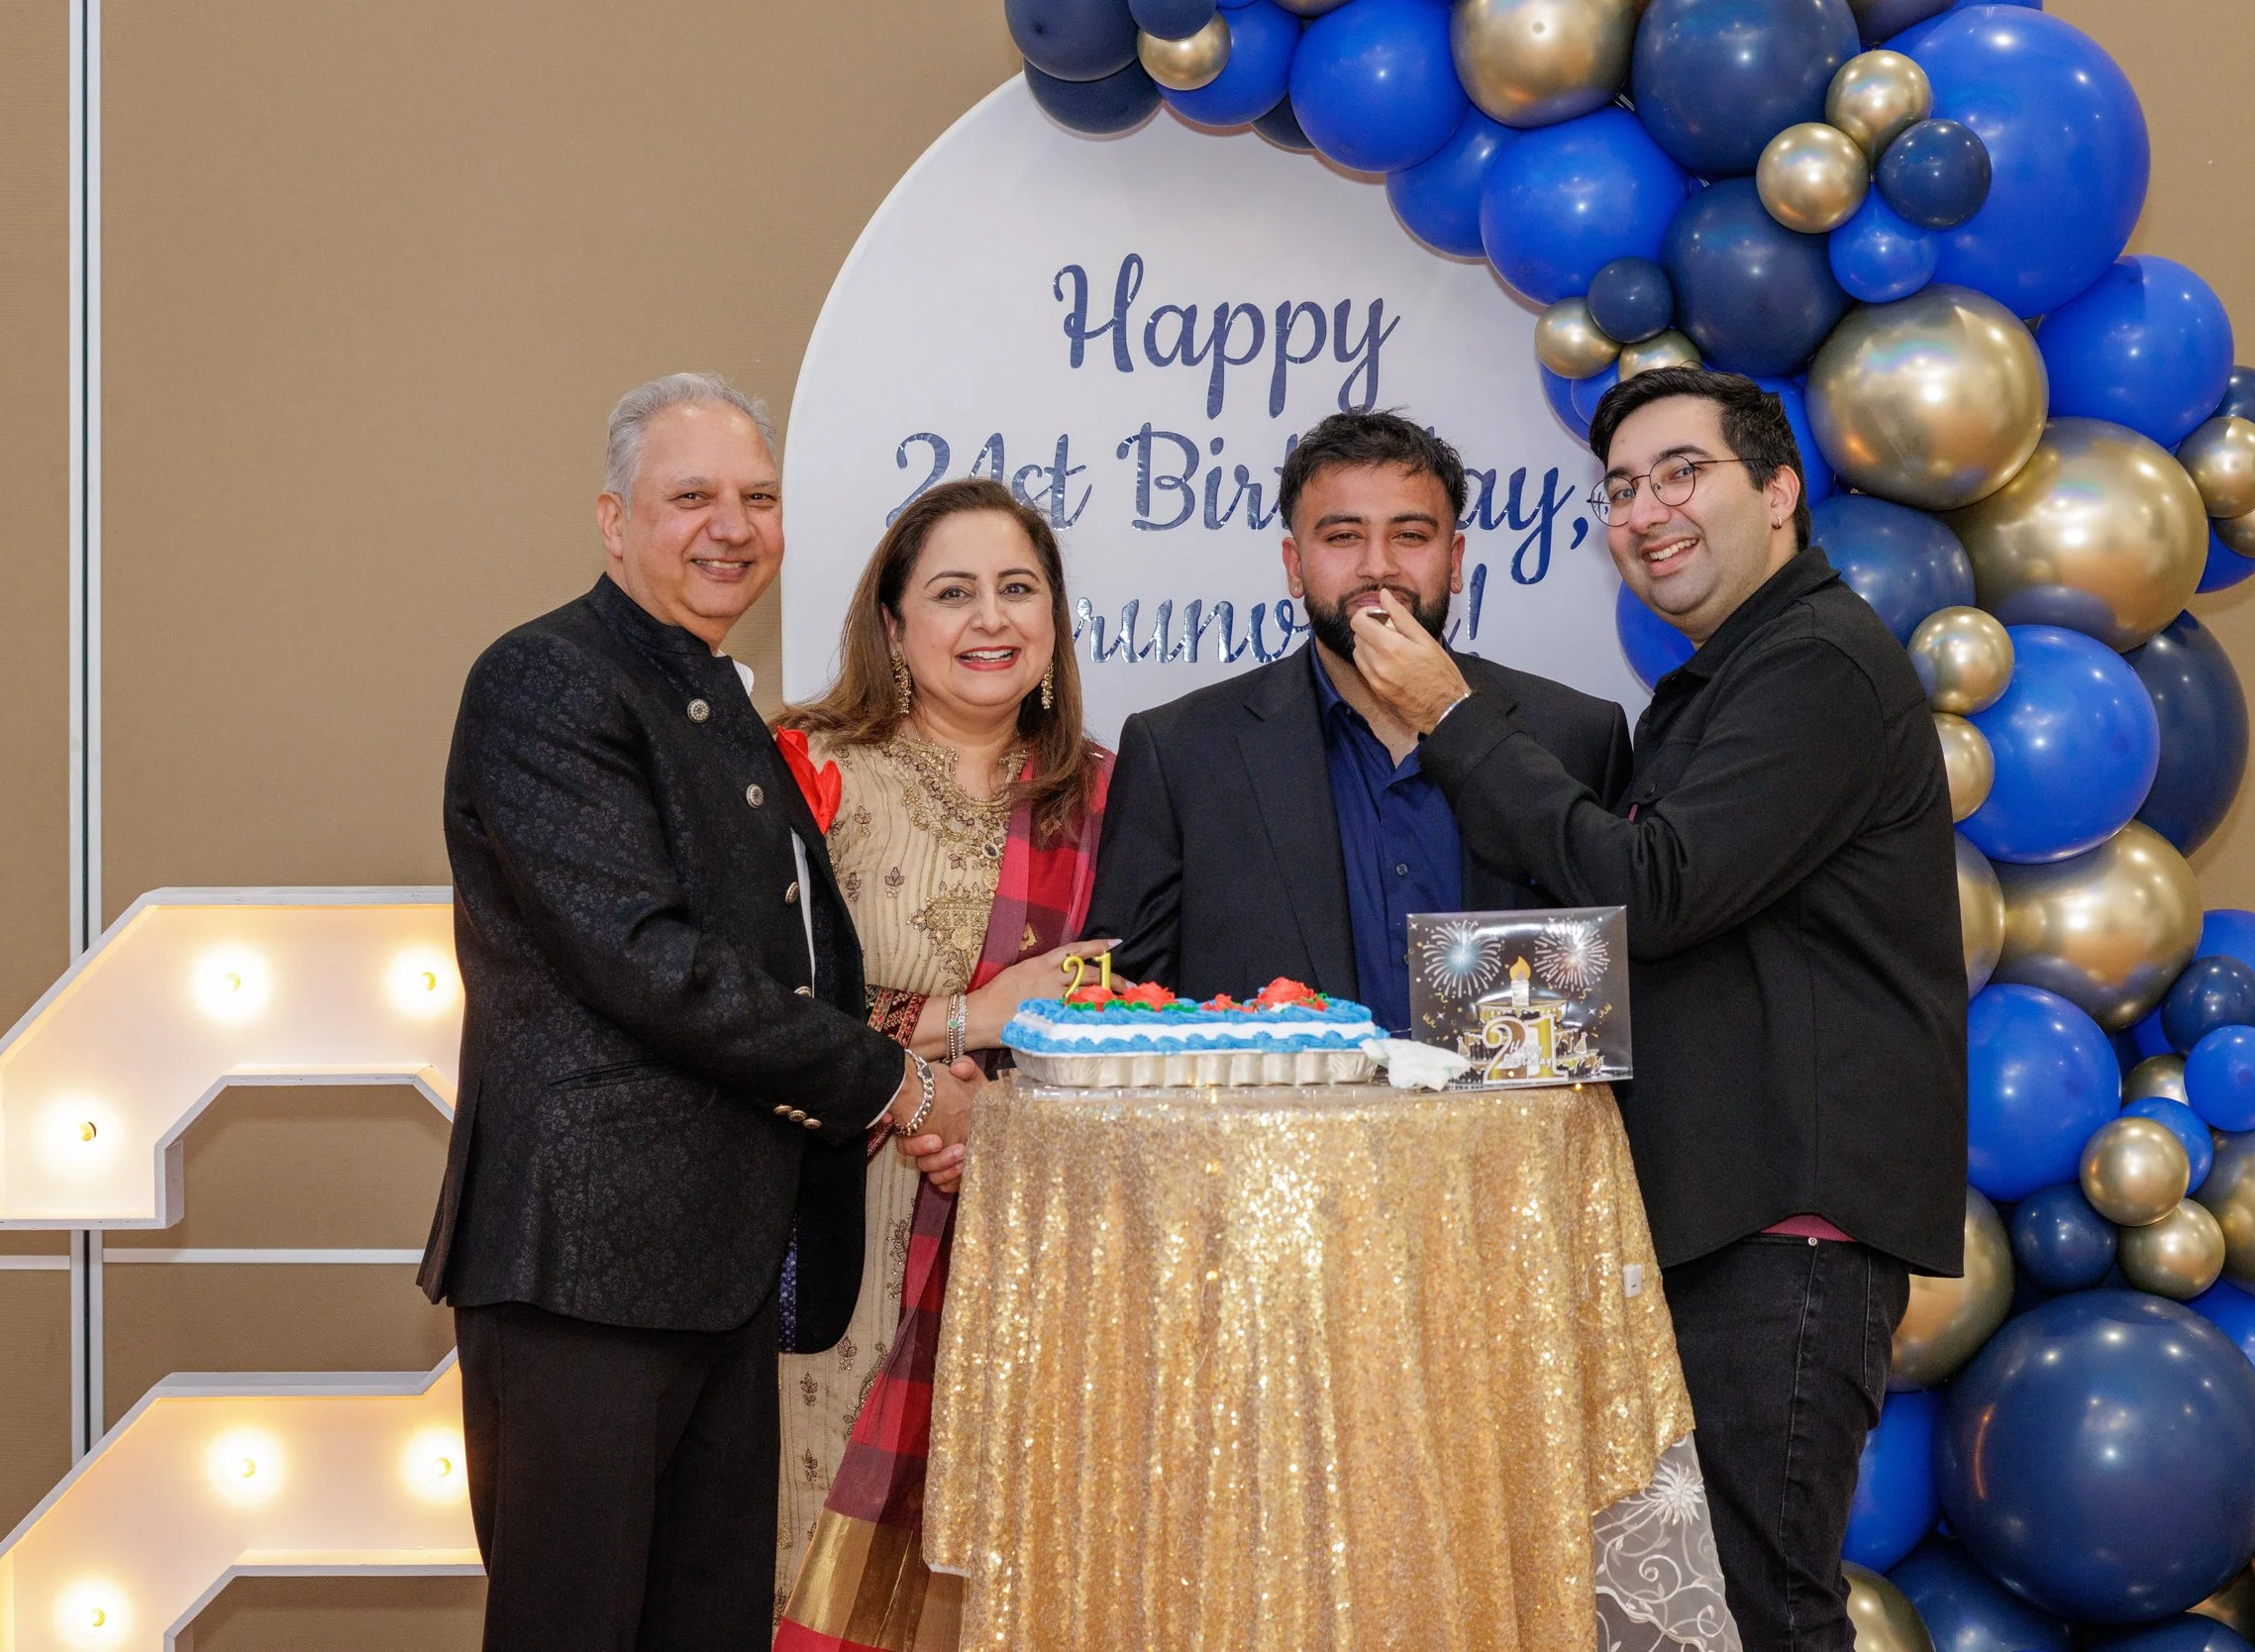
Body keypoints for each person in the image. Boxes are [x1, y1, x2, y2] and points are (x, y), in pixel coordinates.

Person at [1346, 365, 1967, 1652]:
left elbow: (1652, 894)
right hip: (1710, 1223)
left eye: (1683, 472)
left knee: (1755, 1609)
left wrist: (1455, 718)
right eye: (1620, 487)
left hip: (1782, 1235)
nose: (1645, 510)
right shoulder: (1728, 678)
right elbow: (1648, 954)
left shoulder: (1819, 668)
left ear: (1781, 489)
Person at [420, 372, 980, 1652]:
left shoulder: (717, 699)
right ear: (615, 521)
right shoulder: (547, 683)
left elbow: (793, 974)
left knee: (709, 1628)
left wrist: (903, 1082)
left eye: (758, 498)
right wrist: (901, 1090)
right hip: (586, 1273)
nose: (731, 526)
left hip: (721, 1272)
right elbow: (651, 965)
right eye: (692, 498)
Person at [767, 476, 1113, 1648]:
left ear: (1056, 621)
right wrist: (975, 1018)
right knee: (814, 1550)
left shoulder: (1112, 797)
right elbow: (753, 1009)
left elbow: (1146, 1029)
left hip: (1039, 1239)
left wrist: (1001, 1122)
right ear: (892, 624)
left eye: (1019, 589)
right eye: (953, 592)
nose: (991, 619)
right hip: (838, 1221)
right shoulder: (811, 774)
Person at [1084, 409, 1632, 1030]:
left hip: (1514, 1128)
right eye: (1343, 536)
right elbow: (1123, 1015)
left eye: (1411, 535)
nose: (1378, 567)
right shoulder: (1180, 754)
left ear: (1454, 560)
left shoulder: (1577, 737)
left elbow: (1620, 994)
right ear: (1294, 566)